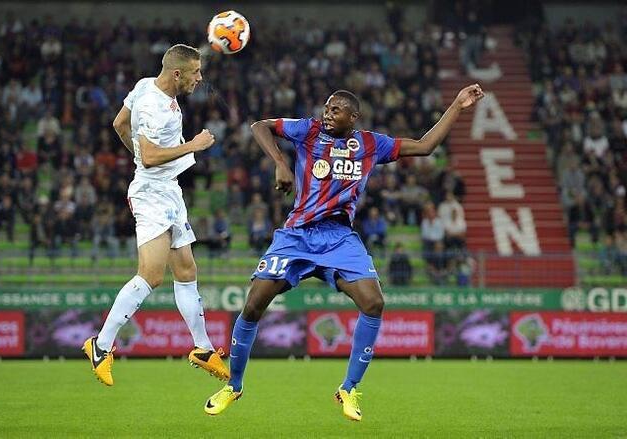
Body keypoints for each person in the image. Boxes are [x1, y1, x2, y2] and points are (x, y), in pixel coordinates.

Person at [205, 85, 484, 420]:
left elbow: (424, 146)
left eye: (336, 109)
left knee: (374, 302)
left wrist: (456, 105)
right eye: (326, 107)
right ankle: (233, 386)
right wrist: (280, 162)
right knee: (252, 305)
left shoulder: (370, 144)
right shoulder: (308, 130)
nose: (327, 113)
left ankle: (349, 388)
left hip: (339, 238)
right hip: (297, 234)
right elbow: (259, 126)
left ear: (354, 117)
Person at [83, 44, 228, 386]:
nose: (200, 78)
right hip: (151, 194)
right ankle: (100, 346)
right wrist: (192, 144)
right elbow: (148, 156)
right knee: (151, 276)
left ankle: (203, 349)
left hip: (169, 190)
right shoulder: (153, 105)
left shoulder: (145, 84)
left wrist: (140, 157)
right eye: (195, 73)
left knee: (187, 270)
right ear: (177, 74)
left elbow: (119, 123)